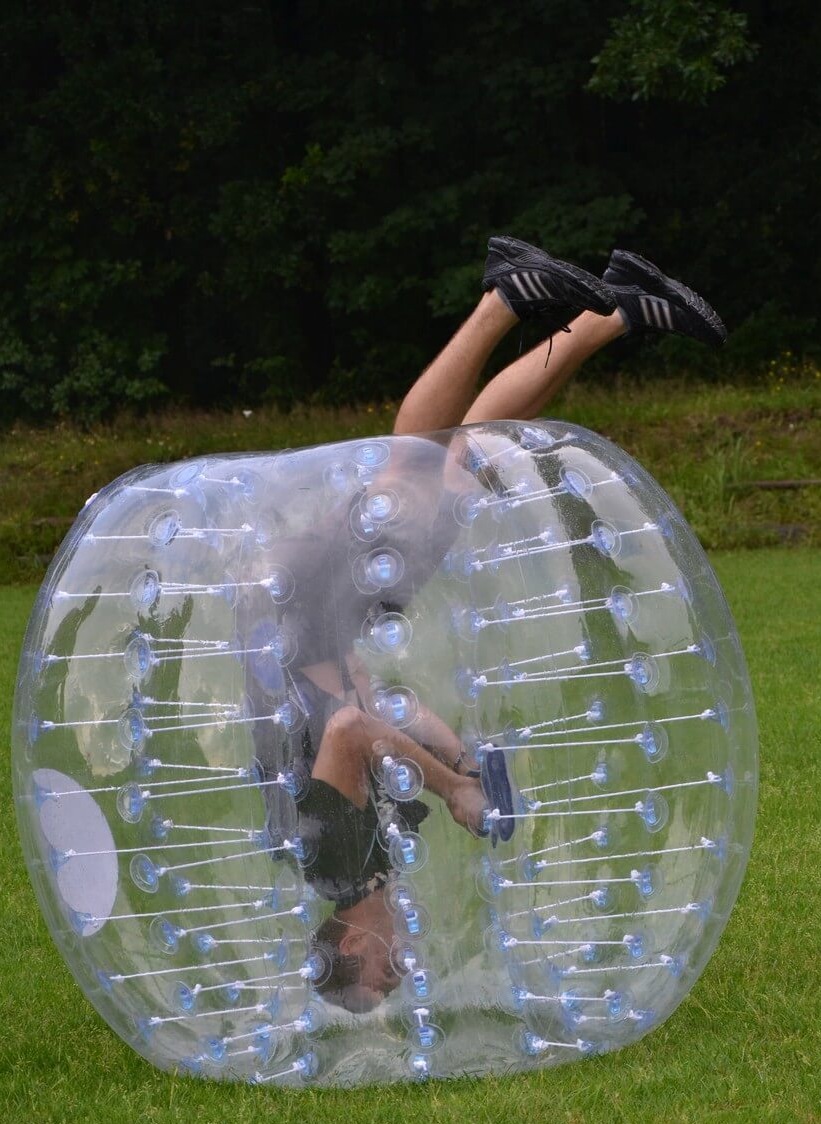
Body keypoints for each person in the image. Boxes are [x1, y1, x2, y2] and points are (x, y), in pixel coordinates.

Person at [265, 235, 725, 1012]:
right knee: (463, 466)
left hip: (308, 612)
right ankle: (615, 310)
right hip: (326, 632)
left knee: (412, 470)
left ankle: (504, 297)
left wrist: (451, 789)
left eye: (384, 973)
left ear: (348, 944)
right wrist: (463, 759)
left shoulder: (334, 869)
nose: (403, 962)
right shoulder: (371, 869)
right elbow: (377, 711)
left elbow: (348, 729)